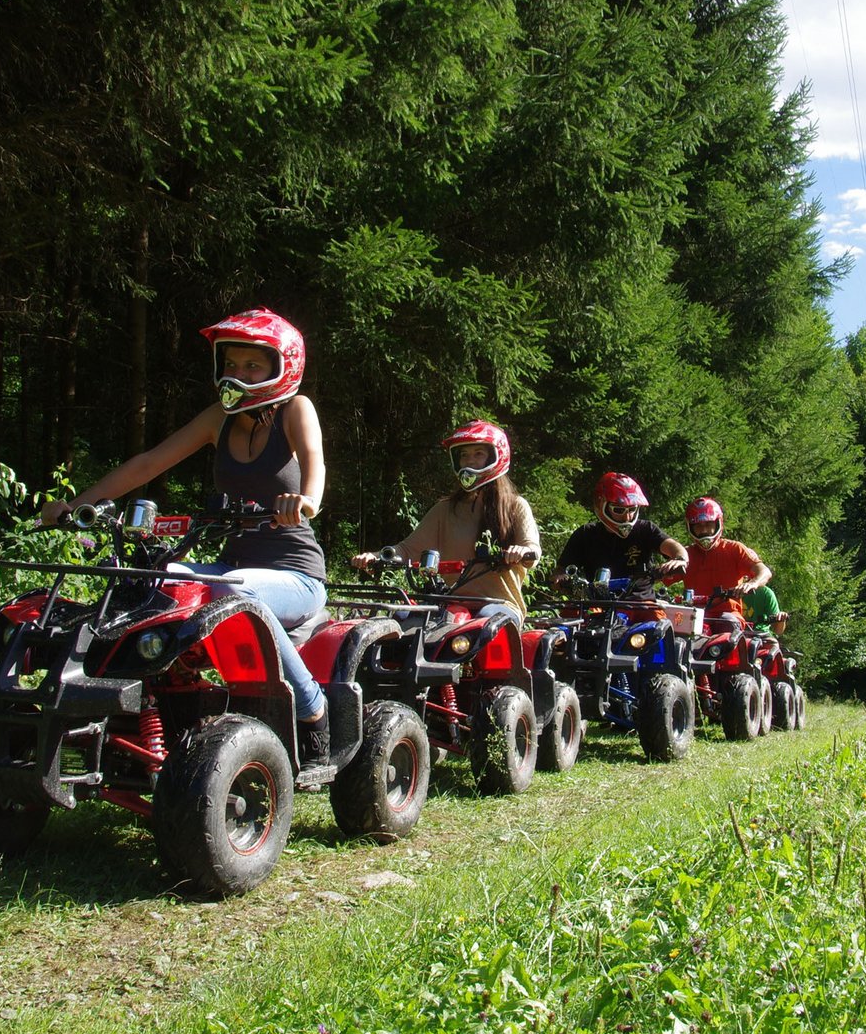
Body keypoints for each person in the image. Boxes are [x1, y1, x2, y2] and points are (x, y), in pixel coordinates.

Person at [40, 308, 332, 759]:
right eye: (231, 364)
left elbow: (314, 458)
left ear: (281, 366)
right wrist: (80, 505)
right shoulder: (220, 418)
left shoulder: (295, 409)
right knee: (159, 579)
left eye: (252, 365)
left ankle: (313, 709)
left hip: (297, 578)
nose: (238, 374)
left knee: (225, 590)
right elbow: (149, 463)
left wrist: (306, 500)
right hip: (234, 572)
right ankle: (169, 701)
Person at [351, 420, 541, 618]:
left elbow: (532, 549)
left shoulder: (515, 506)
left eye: (478, 453)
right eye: (464, 455)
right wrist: (376, 557)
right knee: (401, 618)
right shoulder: (445, 509)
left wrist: (522, 551)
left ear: (495, 456)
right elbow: (408, 549)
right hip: (451, 605)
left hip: (501, 606)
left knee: (485, 622)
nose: (469, 461)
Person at [548, 472, 687, 599]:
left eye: (632, 509)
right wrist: (560, 578)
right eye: (619, 510)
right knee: (565, 623)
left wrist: (680, 559)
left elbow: (673, 546)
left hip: (641, 607)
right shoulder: (586, 534)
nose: (627, 516)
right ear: (603, 506)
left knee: (659, 625)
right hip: (597, 607)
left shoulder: (646, 529)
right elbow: (561, 570)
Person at [679, 496, 772, 619]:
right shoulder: (685, 554)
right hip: (693, 615)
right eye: (698, 526)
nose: (704, 530)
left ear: (718, 523)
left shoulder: (734, 549)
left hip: (728, 614)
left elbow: (764, 572)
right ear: (690, 527)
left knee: (727, 624)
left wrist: (752, 584)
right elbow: (662, 576)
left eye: (708, 524)